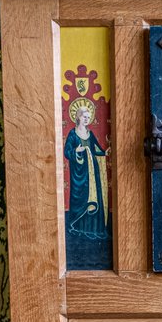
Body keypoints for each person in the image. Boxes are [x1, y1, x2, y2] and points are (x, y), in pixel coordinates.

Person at [64, 99, 109, 238]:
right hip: (79, 172)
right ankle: (77, 227)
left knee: (94, 198)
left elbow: (96, 149)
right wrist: (76, 151)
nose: (87, 119)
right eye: (84, 117)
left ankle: (94, 230)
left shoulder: (90, 133)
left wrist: (104, 153)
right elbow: (66, 152)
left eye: (89, 117)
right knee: (81, 198)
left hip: (92, 171)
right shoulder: (73, 134)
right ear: (78, 117)